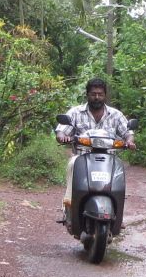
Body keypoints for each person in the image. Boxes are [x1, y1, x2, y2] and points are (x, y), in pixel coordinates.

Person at [55, 78, 134, 222]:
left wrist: (129, 141)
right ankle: (68, 208)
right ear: (87, 95)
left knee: (119, 174)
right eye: (93, 94)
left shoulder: (115, 115)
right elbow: (61, 130)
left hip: (109, 159)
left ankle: (118, 216)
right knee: (71, 164)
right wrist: (62, 137)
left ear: (105, 95)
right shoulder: (75, 112)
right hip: (82, 157)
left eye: (100, 94)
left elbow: (127, 132)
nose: (97, 97)